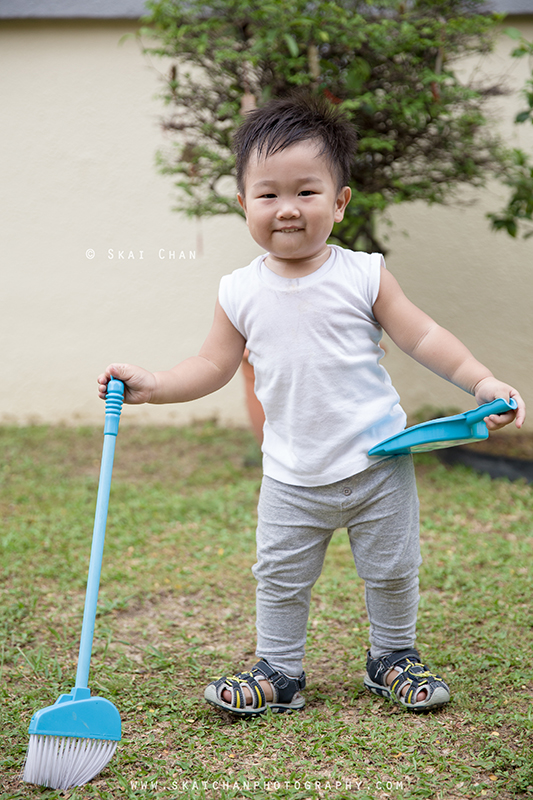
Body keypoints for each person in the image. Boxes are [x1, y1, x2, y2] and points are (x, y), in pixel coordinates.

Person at [98, 94, 525, 715]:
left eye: (307, 192)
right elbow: (214, 365)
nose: (288, 210)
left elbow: (423, 336)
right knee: (279, 576)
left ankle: (393, 657)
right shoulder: (239, 291)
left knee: (391, 569)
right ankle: (280, 669)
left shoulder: (364, 275)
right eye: (268, 195)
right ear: (244, 204)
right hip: (292, 473)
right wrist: (156, 384)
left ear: (340, 201)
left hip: (378, 462)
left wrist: (481, 382)